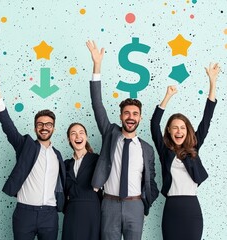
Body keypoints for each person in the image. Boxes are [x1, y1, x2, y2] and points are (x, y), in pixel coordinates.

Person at [86, 40, 159, 240]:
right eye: (126, 113)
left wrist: (146, 202)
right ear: (121, 116)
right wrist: (97, 66)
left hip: (135, 205)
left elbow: (150, 179)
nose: (130, 117)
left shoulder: (147, 149)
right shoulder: (110, 133)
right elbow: (97, 104)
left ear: (140, 118)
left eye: (135, 114)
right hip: (109, 203)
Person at [0, 68, 66, 240]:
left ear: (54, 128)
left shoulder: (57, 155)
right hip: (24, 213)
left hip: (50, 215)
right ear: (35, 127)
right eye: (40, 124)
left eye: (48, 124)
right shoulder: (25, 145)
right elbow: (8, 126)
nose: (44, 127)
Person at [150, 63, 220, 240]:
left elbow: (207, 119)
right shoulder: (165, 151)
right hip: (172, 209)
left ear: (187, 131)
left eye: (182, 128)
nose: (179, 131)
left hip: (192, 209)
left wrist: (212, 82)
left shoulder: (194, 147)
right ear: (169, 131)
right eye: (175, 128)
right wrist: (167, 97)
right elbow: (154, 125)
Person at [62, 123, 101, 240]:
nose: (78, 136)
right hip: (71, 214)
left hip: (92, 213)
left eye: (81, 132)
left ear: (86, 137)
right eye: (73, 134)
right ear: (69, 139)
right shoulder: (65, 164)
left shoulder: (97, 160)